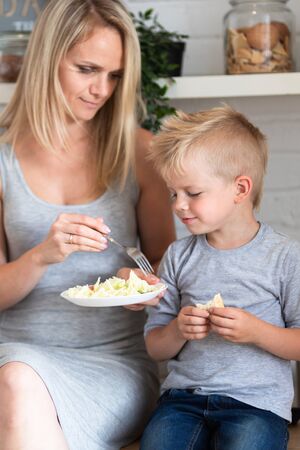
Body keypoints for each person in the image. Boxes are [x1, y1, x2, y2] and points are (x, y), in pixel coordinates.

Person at [0, 1, 175, 449]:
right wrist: (42, 255)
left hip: (113, 364)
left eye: (115, 76)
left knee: (18, 395)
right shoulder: (3, 159)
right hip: (12, 357)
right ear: (46, 60)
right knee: (17, 383)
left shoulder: (139, 153)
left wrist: (141, 283)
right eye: (87, 69)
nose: (102, 89)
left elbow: (163, 267)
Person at [140, 105, 300, 450]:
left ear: (240, 189)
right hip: (183, 401)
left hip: (256, 405)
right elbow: (155, 347)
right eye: (173, 193)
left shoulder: (285, 257)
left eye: (192, 193)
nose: (178, 205)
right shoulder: (178, 256)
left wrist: (257, 332)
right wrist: (177, 330)